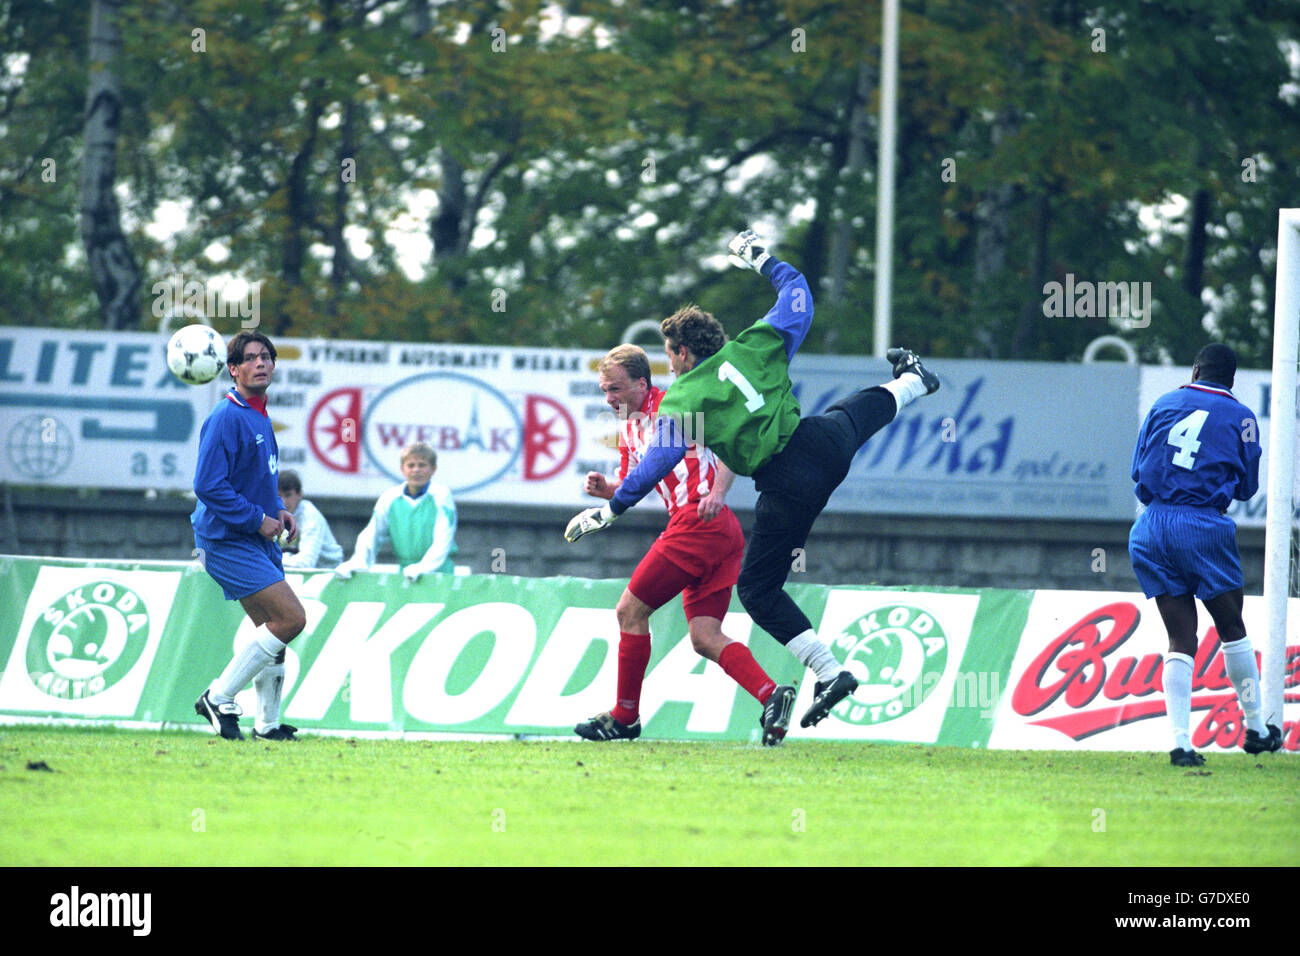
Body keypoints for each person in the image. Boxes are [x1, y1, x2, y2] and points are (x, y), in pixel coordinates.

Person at [566, 229, 940, 736]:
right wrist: (759, 257)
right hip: (820, 446)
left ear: (678, 355)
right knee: (851, 415)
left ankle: (825, 672)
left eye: (669, 354)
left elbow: (662, 459)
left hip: (783, 486)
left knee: (755, 592)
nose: (669, 362)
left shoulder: (681, 399)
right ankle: (914, 381)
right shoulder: (757, 342)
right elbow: (799, 292)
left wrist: (614, 510)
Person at [573, 344, 791, 745]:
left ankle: (625, 716)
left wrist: (719, 492)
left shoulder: (678, 405)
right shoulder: (628, 426)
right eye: (604, 391)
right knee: (705, 636)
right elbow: (630, 484)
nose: (610, 399)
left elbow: (730, 442)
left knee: (629, 611)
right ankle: (771, 695)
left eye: (616, 389)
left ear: (643, 382)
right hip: (715, 531)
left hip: (699, 521)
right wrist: (607, 490)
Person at [1128, 343, 1280, 766]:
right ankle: (1256, 729)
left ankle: (1181, 744)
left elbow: (1138, 472)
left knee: (1180, 638)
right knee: (1232, 626)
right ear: (1230, 379)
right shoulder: (1244, 418)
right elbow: (1248, 487)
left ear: (1195, 370)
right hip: (1201, 526)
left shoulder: (1164, 403)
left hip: (1150, 525)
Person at [192, 330, 305, 742]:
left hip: (253, 537)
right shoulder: (225, 417)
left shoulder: (259, 415)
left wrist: (277, 509)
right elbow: (208, 486)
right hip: (224, 540)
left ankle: (268, 725)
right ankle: (218, 696)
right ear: (234, 370)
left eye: (267, 357)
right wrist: (258, 520)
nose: (261, 363)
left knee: (273, 629)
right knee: (291, 618)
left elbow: (251, 480)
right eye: (251, 358)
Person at [335, 441, 457, 581]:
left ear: (433, 469)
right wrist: (358, 561)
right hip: (406, 573)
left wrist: (422, 567)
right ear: (402, 469)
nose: (416, 470)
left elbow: (443, 539)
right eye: (411, 465)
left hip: (440, 573)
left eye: (422, 465)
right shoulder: (390, 497)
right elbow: (372, 533)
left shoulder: (441, 495)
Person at [277, 469, 344, 569]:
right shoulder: (271, 514)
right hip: (294, 570)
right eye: (279, 496)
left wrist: (275, 559)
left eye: (288, 495)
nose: (283, 501)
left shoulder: (310, 516)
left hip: (330, 572)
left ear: (300, 494)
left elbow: (306, 563)